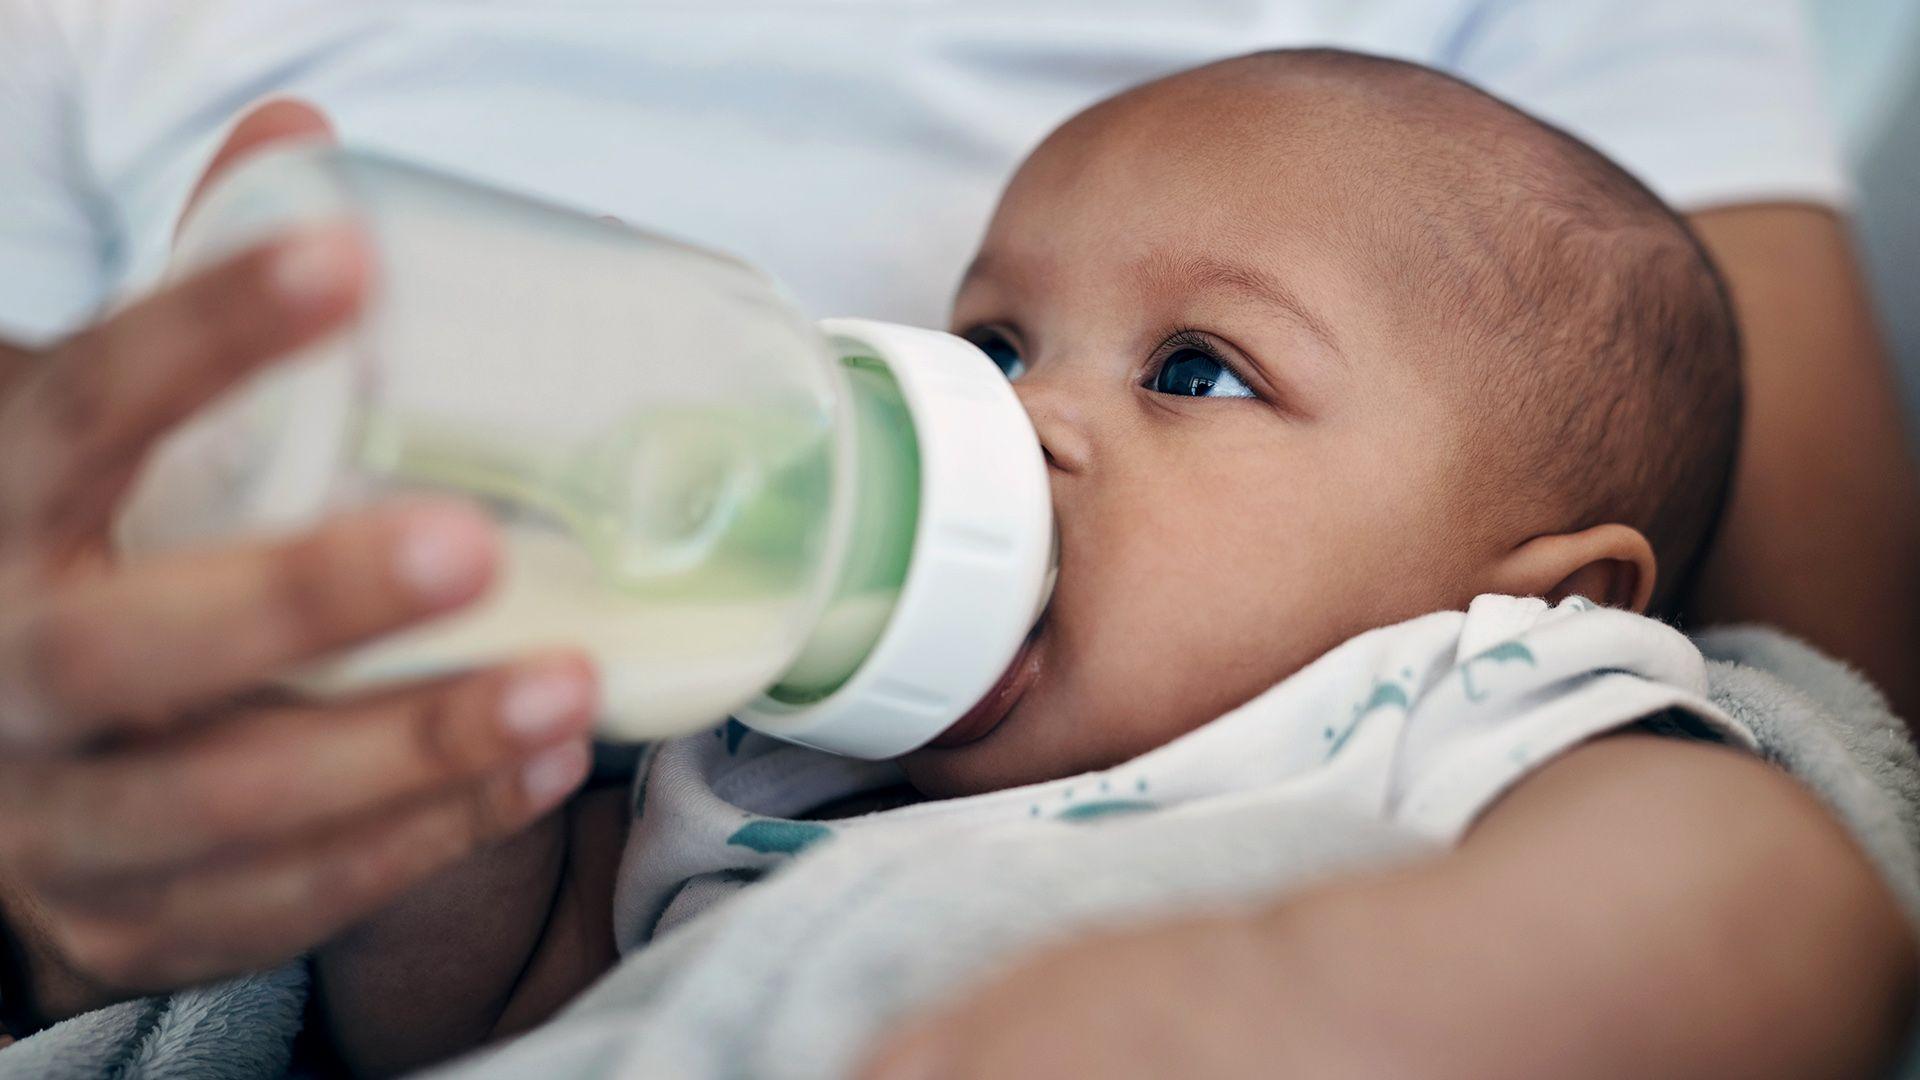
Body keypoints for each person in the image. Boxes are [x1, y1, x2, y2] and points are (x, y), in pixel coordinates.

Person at [0, 1, 1911, 1074]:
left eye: (1201, 372)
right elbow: (485, 1015)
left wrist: (1273, 1021)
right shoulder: (765, 748)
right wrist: (450, 786)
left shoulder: (1469, 700)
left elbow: (1780, 895)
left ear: (1543, 591)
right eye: (995, 338)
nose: (1021, 413)